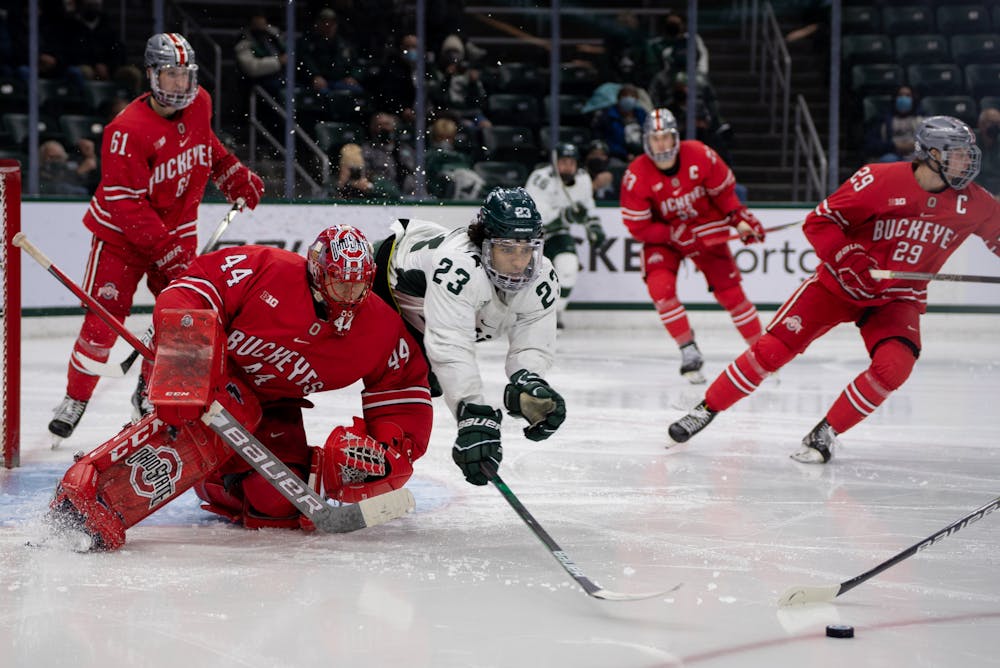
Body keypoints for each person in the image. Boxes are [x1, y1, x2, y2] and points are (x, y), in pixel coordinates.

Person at [46, 225, 434, 549]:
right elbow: (190, 292)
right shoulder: (266, 268)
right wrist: (186, 368)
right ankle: (87, 495)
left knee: (276, 506)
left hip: (273, 406)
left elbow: (403, 389)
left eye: (357, 287)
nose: (348, 298)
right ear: (317, 272)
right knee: (189, 430)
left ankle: (223, 479)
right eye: (338, 284)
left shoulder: (380, 328)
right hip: (211, 381)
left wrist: (389, 451)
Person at [668, 115, 1000, 463]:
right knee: (771, 351)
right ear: (932, 153)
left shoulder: (975, 203)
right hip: (837, 286)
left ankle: (826, 431)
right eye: (959, 153)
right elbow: (820, 222)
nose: (967, 160)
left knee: (895, 366)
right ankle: (706, 408)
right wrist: (848, 258)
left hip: (897, 297)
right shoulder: (880, 180)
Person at [46, 32, 264, 445]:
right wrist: (164, 251)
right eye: (170, 74)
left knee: (181, 321)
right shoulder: (125, 131)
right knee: (103, 324)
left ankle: (149, 393)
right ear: (151, 75)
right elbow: (125, 204)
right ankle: (75, 398)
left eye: (185, 75)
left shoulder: (201, 103)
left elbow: (206, 146)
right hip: (120, 238)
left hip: (176, 232)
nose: (180, 84)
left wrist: (232, 172)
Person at [370, 187, 567, 486]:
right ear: (484, 243)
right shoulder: (459, 265)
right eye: (507, 249)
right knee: (404, 384)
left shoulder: (541, 276)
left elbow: (533, 338)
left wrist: (529, 380)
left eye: (526, 249)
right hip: (381, 289)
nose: (519, 262)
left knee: (425, 382)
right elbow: (451, 345)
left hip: (423, 318)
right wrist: (471, 411)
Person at [620, 108, 766, 384]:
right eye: (655, 138)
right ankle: (688, 350)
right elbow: (638, 226)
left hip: (704, 230)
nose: (661, 144)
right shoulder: (636, 176)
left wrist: (740, 221)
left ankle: (762, 351)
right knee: (659, 289)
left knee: (731, 294)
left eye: (666, 137)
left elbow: (725, 196)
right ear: (646, 141)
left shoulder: (700, 154)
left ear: (676, 137)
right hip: (666, 240)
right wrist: (671, 233)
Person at [525, 142, 606, 326]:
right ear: (555, 162)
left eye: (571, 162)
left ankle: (554, 314)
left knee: (569, 266)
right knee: (527, 279)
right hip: (530, 238)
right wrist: (565, 215)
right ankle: (523, 316)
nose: (568, 166)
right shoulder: (541, 179)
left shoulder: (583, 179)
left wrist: (594, 227)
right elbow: (537, 217)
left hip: (557, 235)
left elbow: (587, 207)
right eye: (563, 161)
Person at [592, 83, 647, 167]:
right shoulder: (608, 116)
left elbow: (648, 134)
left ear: (636, 99)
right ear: (618, 98)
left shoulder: (642, 114)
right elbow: (607, 140)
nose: (628, 98)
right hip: (617, 156)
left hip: (641, 153)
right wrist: (625, 155)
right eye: (625, 95)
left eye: (632, 96)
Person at [864, 86, 923, 163]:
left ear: (914, 99)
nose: (903, 98)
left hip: (915, 154)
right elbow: (870, 145)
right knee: (887, 160)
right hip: (891, 154)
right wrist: (894, 146)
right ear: (895, 98)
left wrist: (914, 146)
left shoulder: (922, 120)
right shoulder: (882, 121)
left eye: (908, 96)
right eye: (900, 95)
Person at [974, 106, 1000, 197]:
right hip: (973, 194)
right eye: (992, 122)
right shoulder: (969, 143)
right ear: (981, 124)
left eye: (998, 123)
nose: (996, 126)